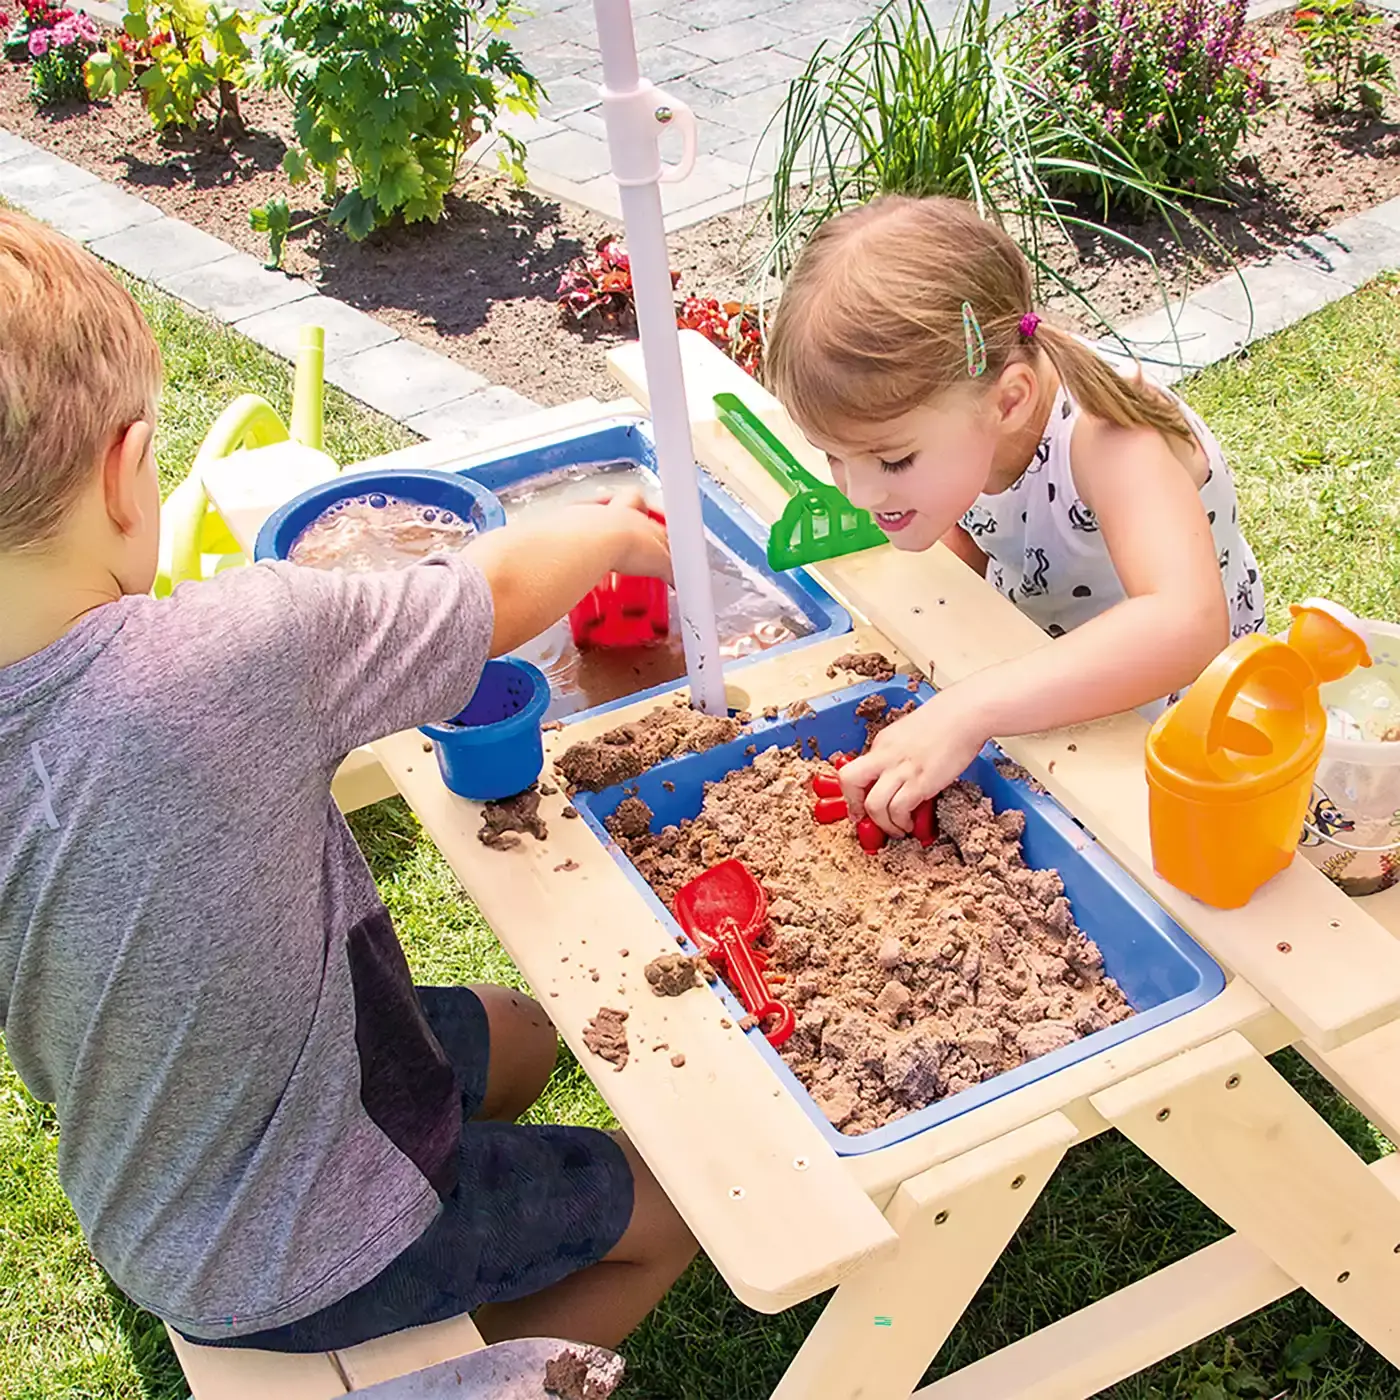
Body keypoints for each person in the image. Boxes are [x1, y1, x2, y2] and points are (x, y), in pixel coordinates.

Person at [0, 208, 695, 1356]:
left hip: (153, 1179)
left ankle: (440, 1251)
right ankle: (471, 1365)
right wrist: (602, 525)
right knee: (668, 1212)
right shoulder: (225, 657)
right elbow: (493, 594)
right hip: (302, 1240)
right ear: (128, 477)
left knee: (520, 1034)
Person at [765, 194, 1264, 837]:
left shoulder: (1112, 438)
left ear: (1009, 402)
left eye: (891, 461)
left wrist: (970, 708)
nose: (860, 494)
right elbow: (984, 530)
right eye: (833, 455)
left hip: (1186, 737)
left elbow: (1186, 626)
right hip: (1043, 685)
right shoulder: (967, 423)